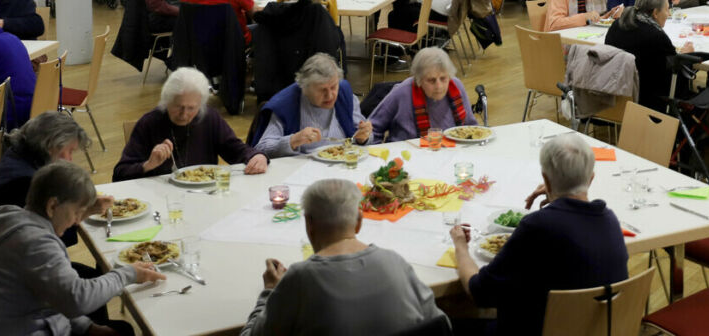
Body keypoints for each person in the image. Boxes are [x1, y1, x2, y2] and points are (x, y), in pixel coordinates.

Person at [448, 133, 628, 336]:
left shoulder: (537, 226)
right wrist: (558, 197)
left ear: (545, 180)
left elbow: (479, 293)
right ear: (591, 178)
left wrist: (460, 246)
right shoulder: (610, 221)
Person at [0, 162, 164, 336]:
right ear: (52, 206)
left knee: (120, 329)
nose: (78, 220)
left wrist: (85, 326)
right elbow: (76, 298)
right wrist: (127, 274)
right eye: (76, 211)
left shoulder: (16, 221)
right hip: (20, 330)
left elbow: (52, 294)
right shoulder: (35, 243)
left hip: (11, 323)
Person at [242, 179, 447, 335]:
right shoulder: (395, 262)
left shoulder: (299, 279)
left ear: (308, 224)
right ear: (359, 222)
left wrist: (269, 291)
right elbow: (441, 324)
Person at [0, 112, 91, 275]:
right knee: (93, 282)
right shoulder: (26, 181)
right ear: (51, 146)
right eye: (69, 151)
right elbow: (54, 235)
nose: (70, 160)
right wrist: (82, 210)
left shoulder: (18, 155)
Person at [113, 67, 267, 181]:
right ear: (166, 101)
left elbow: (235, 150)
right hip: (163, 200)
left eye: (191, 108)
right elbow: (119, 175)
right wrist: (147, 165)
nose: (184, 114)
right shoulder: (149, 123)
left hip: (204, 196)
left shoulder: (209, 118)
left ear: (201, 104)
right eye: (177, 106)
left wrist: (256, 156)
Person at [255, 53, 372, 157]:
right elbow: (262, 148)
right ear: (304, 88)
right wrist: (293, 141)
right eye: (322, 90)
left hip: (342, 166)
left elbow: (365, 137)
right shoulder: (285, 104)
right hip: (299, 172)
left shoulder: (345, 94)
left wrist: (363, 137)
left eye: (333, 87)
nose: (330, 96)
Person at [606, 0, 694, 111]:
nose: (668, 14)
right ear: (655, 13)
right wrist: (686, 56)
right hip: (649, 97)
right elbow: (674, 70)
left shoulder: (617, 25)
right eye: (667, 9)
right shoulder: (656, 36)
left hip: (615, 92)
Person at [366, 48, 477, 143]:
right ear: (419, 80)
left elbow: (471, 127)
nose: (439, 86)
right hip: (406, 158)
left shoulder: (456, 86)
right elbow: (372, 130)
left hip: (450, 154)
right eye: (431, 80)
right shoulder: (402, 92)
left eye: (443, 78)